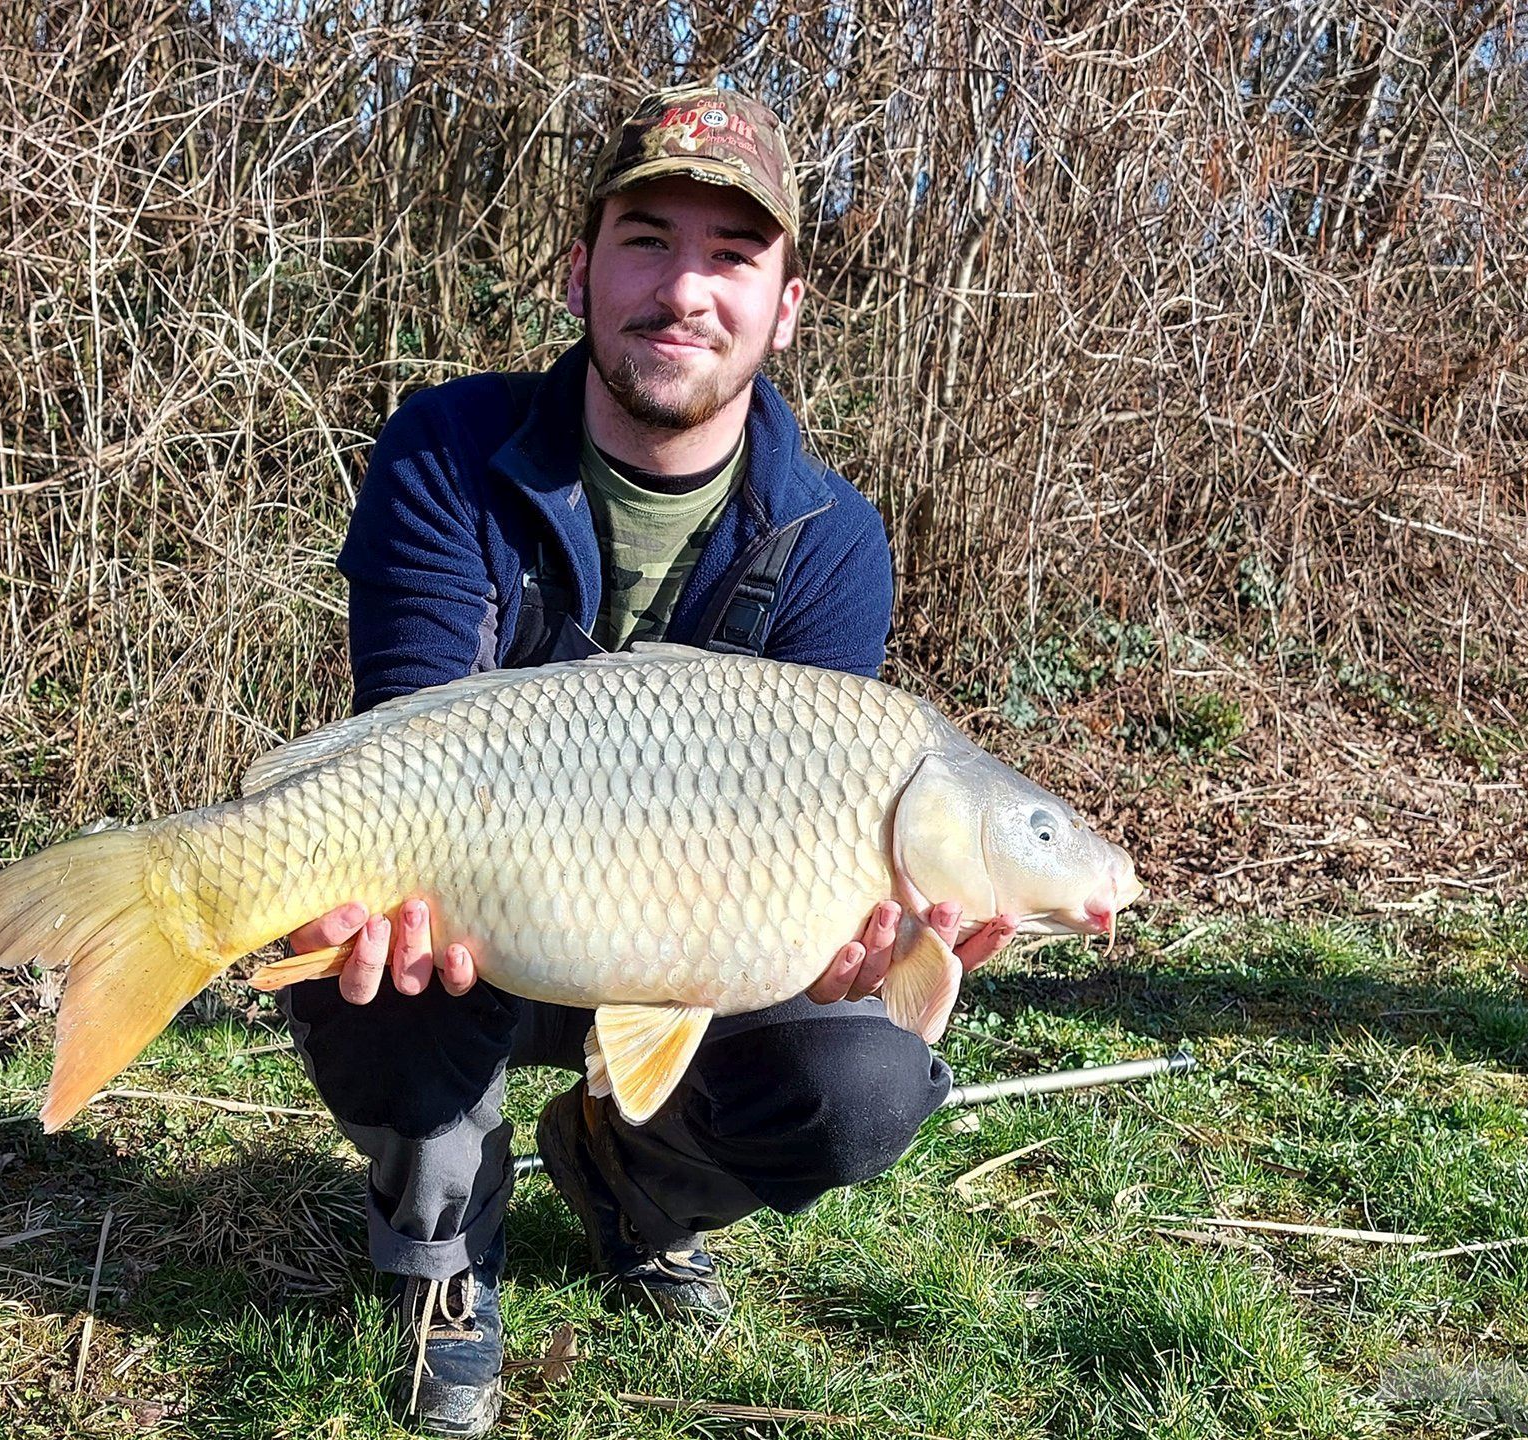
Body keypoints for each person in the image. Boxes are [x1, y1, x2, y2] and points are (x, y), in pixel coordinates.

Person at [277, 85, 1014, 1436]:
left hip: (694, 942)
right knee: (365, 952)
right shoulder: (446, 451)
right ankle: (441, 1252)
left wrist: (853, 951)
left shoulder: (833, 541)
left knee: (866, 1077)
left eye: (732, 257)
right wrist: (368, 890)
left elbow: (804, 839)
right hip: (485, 910)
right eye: (646, 240)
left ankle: (631, 1184)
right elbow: (416, 742)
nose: (685, 291)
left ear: (785, 306)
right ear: (580, 270)